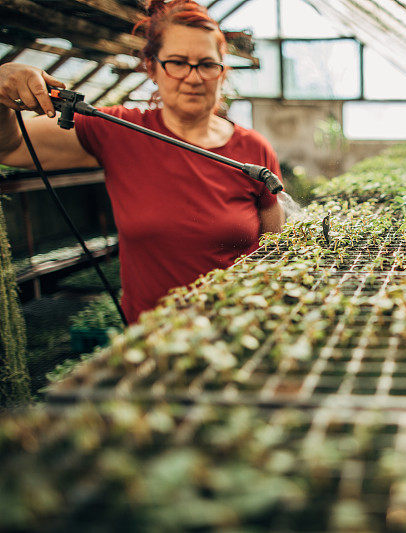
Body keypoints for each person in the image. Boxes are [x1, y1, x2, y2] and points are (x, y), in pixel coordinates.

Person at [0, 0, 284, 323]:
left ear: (222, 72)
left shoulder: (254, 150)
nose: (193, 77)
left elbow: (274, 255)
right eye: (177, 62)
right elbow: (10, 146)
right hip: (152, 345)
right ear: (151, 68)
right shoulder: (117, 130)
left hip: (241, 331)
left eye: (207, 64)